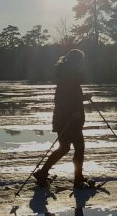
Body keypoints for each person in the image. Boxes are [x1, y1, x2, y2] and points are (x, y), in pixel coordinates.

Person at [34, 49, 92, 188]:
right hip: (68, 120)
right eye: (80, 61)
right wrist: (72, 112)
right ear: (74, 61)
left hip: (66, 119)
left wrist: (83, 98)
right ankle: (78, 179)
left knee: (65, 148)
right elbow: (60, 100)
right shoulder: (68, 76)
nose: (82, 63)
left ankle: (42, 173)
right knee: (78, 148)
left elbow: (70, 98)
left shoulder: (68, 75)